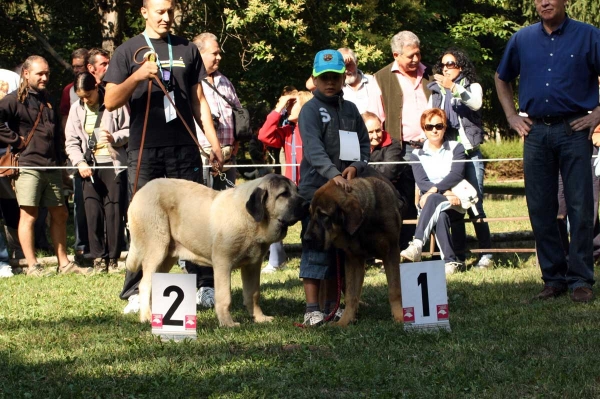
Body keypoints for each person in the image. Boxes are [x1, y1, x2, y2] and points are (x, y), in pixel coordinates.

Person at [103, 0, 224, 314]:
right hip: (146, 149)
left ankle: (204, 286)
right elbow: (110, 101)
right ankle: (135, 291)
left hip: (184, 149)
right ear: (144, 12)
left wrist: (213, 144)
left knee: (198, 218)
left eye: (170, 11)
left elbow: (199, 101)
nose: (166, 17)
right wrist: (138, 76)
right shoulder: (127, 50)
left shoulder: (188, 50)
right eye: (159, 11)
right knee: (144, 220)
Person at [495, 0, 600, 302]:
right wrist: (511, 116)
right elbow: (501, 78)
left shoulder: (589, 35)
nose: (544, 2)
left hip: (575, 130)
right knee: (540, 208)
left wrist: (597, 114)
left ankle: (580, 279)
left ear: (564, 1)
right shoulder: (522, 39)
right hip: (535, 132)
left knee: (580, 207)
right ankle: (553, 279)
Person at [0, 55, 93, 276]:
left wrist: (61, 163)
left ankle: (64, 264)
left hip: (51, 165)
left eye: (47, 73)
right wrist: (15, 140)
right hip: (27, 165)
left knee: (60, 213)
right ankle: (32, 265)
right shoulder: (12, 100)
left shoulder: (48, 100)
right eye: (39, 73)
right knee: (29, 215)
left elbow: (55, 136)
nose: (44, 77)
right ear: (26, 73)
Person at [298, 49, 370, 326]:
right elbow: (314, 150)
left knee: (341, 250)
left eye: (335, 77)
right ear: (315, 80)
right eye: (324, 77)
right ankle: (312, 308)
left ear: (344, 78)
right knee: (316, 246)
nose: (330, 82)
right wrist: (332, 174)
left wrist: (356, 167)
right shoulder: (310, 110)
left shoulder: (350, 110)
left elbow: (364, 145)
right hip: (315, 192)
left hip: (346, 193)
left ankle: (333, 306)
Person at [427, 48, 493, 268]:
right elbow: (429, 117)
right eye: (443, 64)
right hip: (447, 156)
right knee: (454, 205)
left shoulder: (472, 86)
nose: (446, 68)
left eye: (451, 64)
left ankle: (487, 255)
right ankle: (458, 256)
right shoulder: (436, 91)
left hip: (470, 153)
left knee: (474, 203)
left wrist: (453, 88)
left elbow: (475, 104)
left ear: (461, 66)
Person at [65, 72, 129, 273]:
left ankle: (113, 257)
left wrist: (114, 138)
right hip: (89, 167)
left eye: (88, 95)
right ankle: (98, 258)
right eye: (81, 96)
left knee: (114, 211)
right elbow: (71, 141)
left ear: (96, 87)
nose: (85, 100)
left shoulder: (115, 104)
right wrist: (79, 162)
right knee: (92, 212)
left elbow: (129, 129)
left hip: (113, 164)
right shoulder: (76, 109)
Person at [374, 31, 432, 250]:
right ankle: (405, 248)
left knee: (432, 196)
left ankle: (432, 249)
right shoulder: (380, 78)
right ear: (396, 55)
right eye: (410, 56)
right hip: (402, 149)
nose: (416, 59)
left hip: (432, 146)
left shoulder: (430, 74)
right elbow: (377, 117)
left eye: (417, 54)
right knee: (405, 200)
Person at [400, 109, 467, 275]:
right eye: (429, 127)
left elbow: (456, 174)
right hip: (434, 202)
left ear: (445, 128)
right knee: (440, 214)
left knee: (433, 200)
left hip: (455, 202)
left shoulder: (456, 148)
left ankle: (416, 244)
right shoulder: (416, 154)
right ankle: (450, 262)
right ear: (424, 129)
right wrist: (441, 193)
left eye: (438, 125)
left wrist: (436, 191)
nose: (434, 130)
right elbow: (422, 182)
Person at [258, 90, 313, 273]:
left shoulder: (312, 131)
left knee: (310, 224)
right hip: (291, 186)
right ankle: (276, 260)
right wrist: (278, 108)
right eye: (287, 106)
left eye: (292, 105)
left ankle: (310, 258)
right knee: (275, 218)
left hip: (309, 184)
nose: (288, 109)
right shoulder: (287, 131)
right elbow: (264, 135)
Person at [194, 32, 240, 190]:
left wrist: (235, 147)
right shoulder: (190, 83)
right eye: (215, 53)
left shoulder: (225, 82)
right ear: (199, 55)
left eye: (219, 53)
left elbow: (238, 115)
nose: (219, 57)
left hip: (228, 157)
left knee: (229, 208)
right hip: (203, 156)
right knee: (203, 208)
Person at [60, 48, 91, 265]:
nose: (76, 70)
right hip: (77, 155)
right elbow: (65, 123)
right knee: (79, 204)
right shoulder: (68, 91)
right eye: (74, 66)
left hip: (106, 158)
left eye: (80, 66)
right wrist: (74, 157)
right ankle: (81, 248)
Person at [337, 47, 384, 117]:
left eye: (349, 65)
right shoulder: (335, 87)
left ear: (356, 63)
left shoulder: (373, 81)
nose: (346, 70)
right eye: (342, 66)